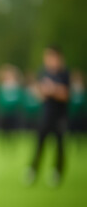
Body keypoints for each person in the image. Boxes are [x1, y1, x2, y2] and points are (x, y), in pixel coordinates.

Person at [26, 45, 70, 187]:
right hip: (45, 115)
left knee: (60, 145)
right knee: (39, 144)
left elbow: (66, 95)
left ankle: (57, 172)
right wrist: (41, 91)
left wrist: (53, 90)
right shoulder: (43, 72)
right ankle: (33, 170)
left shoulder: (64, 74)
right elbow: (39, 94)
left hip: (60, 116)